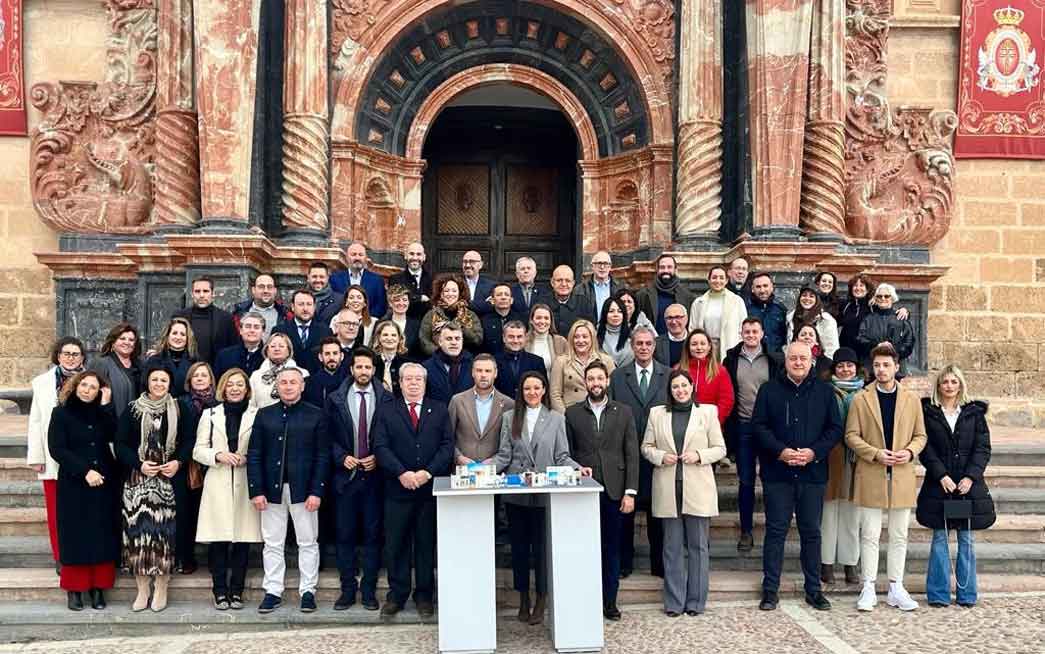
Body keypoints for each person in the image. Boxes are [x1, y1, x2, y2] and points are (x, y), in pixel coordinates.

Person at [751, 342, 842, 612]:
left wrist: (814, 452)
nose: (798, 362)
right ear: (786, 361)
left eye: (803, 358)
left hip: (812, 474)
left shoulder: (825, 392)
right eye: (793, 358)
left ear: (811, 361)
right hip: (777, 473)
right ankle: (770, 590)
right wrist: (780, 452)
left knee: (811, 533)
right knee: (776, 531)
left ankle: (813, 590)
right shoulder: (769, 390)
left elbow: (835, 429)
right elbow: (758, 426)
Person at [845, 343, 927, 612]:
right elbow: (851, 436)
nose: (881, 370)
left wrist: (909, 452)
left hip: (902, 473)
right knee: (869, 533)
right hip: (871, 471)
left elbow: (921, 435)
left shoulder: (911, 399)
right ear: (872, 368)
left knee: (899, 534)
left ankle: (895, 586)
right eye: (877, 365)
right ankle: (868, 586)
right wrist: (875, 453)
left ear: (896, 367)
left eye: (886, 365)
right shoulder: (861, 398)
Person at [493, 370, 580, 624]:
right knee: (519, 549)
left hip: (544, 493)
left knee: (542, 549)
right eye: (527, 388)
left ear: (544, 391)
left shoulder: (555, 419)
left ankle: (542, 597)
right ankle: (523, 598)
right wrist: (480, 469)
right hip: (516, 494)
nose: (532, 392)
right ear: (521, 391)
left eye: (536, 388)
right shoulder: (510, 418)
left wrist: (577, 467)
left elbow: (562, 455)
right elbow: (503, 455)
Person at [372, 362, 454, 618]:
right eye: (409, 379)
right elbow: (380, 446)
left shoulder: (439, 410)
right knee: (396, 544)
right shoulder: (386, 410)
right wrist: (401, 473)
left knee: (425, 544)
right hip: (397, 489)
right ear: (400, 382)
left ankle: (424, 595)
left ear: (425, 382)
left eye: (419, 379)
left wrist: (427, 472)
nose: (414, 383)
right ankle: (397, 595)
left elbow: (447, 446)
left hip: (429, 489)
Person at [641, 370, 725, 616]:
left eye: (684, 386)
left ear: (692, 387)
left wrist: (699, 455)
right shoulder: (657, 413)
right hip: (668, 486)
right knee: (672, 547)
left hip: (697, 486)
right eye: (675, 387)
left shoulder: (707, 412)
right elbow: (646, 447)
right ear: (670, 390)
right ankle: (674, 602)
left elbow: (720, 448)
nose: (680, 390)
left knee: (698, 546)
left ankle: (696, 602)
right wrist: (659, 456)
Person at [247, 366, 329, 614]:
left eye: (294, 382)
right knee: (272, 542)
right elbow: (254, 454)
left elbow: (322, 456)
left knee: (307, 541)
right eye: (284, 383)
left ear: (302, 386)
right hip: (270, 490)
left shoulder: (317, 415)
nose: (289, 386)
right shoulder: (264, 415)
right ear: (277, 386)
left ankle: (308, 591)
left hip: (304, 490)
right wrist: (256, 490)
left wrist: (317, 491)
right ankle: (272, 590)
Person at [565, 360, 638, 621]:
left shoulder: (624, 412)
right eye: (591, 379)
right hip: (584, 490)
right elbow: (568, 454)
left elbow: (631, 454)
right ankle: (586, 599)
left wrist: (630, 492)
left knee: (611, 548)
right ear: (585, 383)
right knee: (584, 548)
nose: (595, 383)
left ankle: (610, 602)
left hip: (615, 491)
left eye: (600, 378)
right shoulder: (571, 413)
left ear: (607, 381)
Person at [917, 365, 994, 608]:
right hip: (940, 485)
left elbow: (982, 448)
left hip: (967, 487)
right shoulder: (929, 413)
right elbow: (925, 448)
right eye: (945, 382)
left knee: (967, 539)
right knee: (940, 537)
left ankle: (967, 594)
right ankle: (938, 594)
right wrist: (941, 475)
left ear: (960, 385)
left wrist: (971, 477)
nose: (949, 386)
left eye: (953, 382)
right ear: (938, 386)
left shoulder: (974, 414)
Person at [115, 365, 187, 613]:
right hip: (138, 480)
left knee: (163, 536)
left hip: (168, 481)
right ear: (148, 382)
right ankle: (143, 589)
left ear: (169, 383)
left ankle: (162, 587)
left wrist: (178, 462)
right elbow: (121, 444)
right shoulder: (133, 410)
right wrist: (139, 464)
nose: (159, 383)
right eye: (155, 379)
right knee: (138, 536)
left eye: (163, 380)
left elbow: (189, 440)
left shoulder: (179, 408)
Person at [47, 370, 119, 611]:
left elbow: (113, 435)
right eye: (84, 385)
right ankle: (75, 590)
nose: (88, 390)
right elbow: (57, 449)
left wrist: (107, 406)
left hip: (103, 483)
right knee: (76, 535)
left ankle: (98, 589)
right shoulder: (61, 413)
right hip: (75, 483)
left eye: (93, 387)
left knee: (101, 534)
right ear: (76, 386)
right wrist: (84, 471)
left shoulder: (102, 413)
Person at [327, 347, 389, 612]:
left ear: (374, 370)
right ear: (351, 369)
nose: (364, 371)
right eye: (359, 367)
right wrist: (341, 457)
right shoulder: (335, 398)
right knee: (345, 536)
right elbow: (325, 436)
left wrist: (379, 456)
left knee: (373, 537)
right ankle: (347, 590)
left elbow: (391, 435)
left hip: (375, 477)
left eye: (368, 367)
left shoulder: (386, 398)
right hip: (346, 478)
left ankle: (369, 591)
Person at [193, 368, 261, 610]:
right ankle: (220, 591)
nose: (234, 388)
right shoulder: (211, 414)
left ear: (247, 389)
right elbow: (197, 450)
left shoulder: (257, 414)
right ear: (223, 387)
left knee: (243, 541)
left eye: (239, 384)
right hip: (218, 481)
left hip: (245, 481)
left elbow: (261, 448)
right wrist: (218, 455)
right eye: (230, 384)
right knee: (219, 541)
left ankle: (237, 591)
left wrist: (248, 458)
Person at [609, 326, 670, 578]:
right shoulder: (618, 376)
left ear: (654, 346)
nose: (643, 347)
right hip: (626, 453)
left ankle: (659, 564)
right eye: (639, 343)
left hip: (658, 453)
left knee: (659, 513)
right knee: (626, 513)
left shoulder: (668, 375)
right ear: (632, 346)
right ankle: (625, 563)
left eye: (648, 343)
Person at [722, 317, 782, 552]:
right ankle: (746, 530)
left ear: (762, 333)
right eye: (746, 331)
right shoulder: (731, 359)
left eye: (754, 331)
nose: (750, 335)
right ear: (741, 333)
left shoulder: (774, 359)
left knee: (770, 480)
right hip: (743, 427)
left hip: (768, 428)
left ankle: (772, 529)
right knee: (746, 482)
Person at [28, 337, 86, 572]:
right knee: (55, 511)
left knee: (82, 510)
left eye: (76, 354)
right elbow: (36, 420)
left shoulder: (91, 381)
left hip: (83, 456)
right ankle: (61, 556)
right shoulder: (42, 383)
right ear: (58, 356)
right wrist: (37, 456)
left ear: (82, 357)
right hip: (53, 456)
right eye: (66, 353)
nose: (71, 358)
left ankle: (81, 552)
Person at [820, 347, 865, 585]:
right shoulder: (826, 392)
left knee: (851, 513)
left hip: (856, 459)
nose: (845, 370)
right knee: (828, 513)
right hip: (831, 457)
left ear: (856, 368)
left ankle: (850, 563)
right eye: (840, 366)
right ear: (834, 369)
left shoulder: (865, 394)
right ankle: (826, 563)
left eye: (849, 365)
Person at [175, 362, 219, 575]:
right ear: (189, 380)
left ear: (211, 379)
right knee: (186, 513)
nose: (200, 379)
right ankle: (186, 557)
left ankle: (214, 558)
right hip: (187, 464)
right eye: (196, 376)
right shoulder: (180, 403)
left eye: (204, 375)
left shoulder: (219, 403)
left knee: (213, 512)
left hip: (213, 464)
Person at [450, 354, 513, 466]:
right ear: (472, 373)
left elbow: (510, 442)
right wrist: (458, 457)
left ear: (495, 373)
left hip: (495, 473)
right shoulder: (457, 401)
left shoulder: (508, 404)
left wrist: (495, 462)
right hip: (463, 471)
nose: (483, 375)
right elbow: (447, 437)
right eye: (479, 371)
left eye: (488, 371)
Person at [549, 319, 616, 413]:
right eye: (576, 337)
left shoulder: (606, 361)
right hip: (570, 414)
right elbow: (555, 395)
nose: (580, 341)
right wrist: (566, 417)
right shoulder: (561, 362)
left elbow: (614, 391)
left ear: (592, 338)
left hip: (600, 414)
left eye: (585, 337)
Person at [677, 329, 735, 428]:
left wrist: (713, 422)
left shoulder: (720, 371)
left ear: (709, 347)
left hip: (711, 427)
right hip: (683, 426)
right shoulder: (678, 370)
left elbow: (726, 400)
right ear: (688, 347)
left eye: (703, 344)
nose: (699, 347)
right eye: (694, 344)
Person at [174, 276, 239, 365]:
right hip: (185, 371)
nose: (201, 295)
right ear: (192, 294)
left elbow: (233, 348)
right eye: (197, 291)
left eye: (205, 291)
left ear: (213, 294)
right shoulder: (180, 316)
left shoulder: (226, 318)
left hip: (216, 372)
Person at [689, 265, 747, 359]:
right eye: (714, 277)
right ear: (709, 280)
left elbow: (743, 328)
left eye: (721, 278)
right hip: (705, 348)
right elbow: (693, 328)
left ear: (726, 280)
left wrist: (738, 346)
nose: (718, 281)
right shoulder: (698, 303)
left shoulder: (737, 301)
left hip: (729, 345)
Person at [271, 289, 333, 375]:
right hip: (288, 380)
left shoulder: (325, 331)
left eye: (309, 304)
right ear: (292, 306)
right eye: (301, 304)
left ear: (314, 307)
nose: (305, 308)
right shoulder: (280, 330)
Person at [418, 275, 483, 356]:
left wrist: (451, 325)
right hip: (438, 360)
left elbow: (477, 340)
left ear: (460, 293)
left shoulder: (470, 315)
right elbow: (424, 340)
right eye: (446, 291)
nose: (450, 294)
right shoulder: (431, 315)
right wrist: (440, 353)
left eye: (454, 291)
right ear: (441, 294)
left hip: (465, 360)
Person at [857, 283, 915, 373]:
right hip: (872, 368)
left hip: (895, 368)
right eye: (879, 296)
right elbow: (861, 339)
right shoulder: (868, 319)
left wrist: (893, 349)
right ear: (875, 299)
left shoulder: (901, 318)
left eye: (886, 296)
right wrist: (877, 346)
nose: (883, 298)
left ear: (892, 298)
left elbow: (909, 342)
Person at [91, 323, 142, 417]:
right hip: (111, 422)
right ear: (113, 343)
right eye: (122, 338)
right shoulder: (102, 364)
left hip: (136, 423)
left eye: (131, 340)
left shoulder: (140, 365)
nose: (127, 342)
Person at [636, 255, 696, 334]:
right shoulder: (643, 295)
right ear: (657, 270)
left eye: (669, 267)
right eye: (662, 267)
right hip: (652, 343)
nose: (666, 270)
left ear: (675, 270)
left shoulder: (687, 296)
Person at [249, 332, 308, 410]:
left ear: (289, 350)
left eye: (281, 346)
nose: (277, 349)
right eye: (273, 346)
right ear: (267, 350)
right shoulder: (256, 376)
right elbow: (251, 404)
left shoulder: (303, 374)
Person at [144, 317, 198, 398]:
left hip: (187, 408)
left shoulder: (195, 361)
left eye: (182, 334)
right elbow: (144, 387)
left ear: (188, 338)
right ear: (167, 335)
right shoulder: (154, 360)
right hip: (159, 407)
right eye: (174, 333)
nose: (178, 337)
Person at [330, 241, 388, 318]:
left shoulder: (377, 280)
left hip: (367, 325)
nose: (357, 258)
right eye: (353, 254)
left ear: (366, 258)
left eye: (361, 255)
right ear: (347, 257)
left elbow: (381, 306)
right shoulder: (335, 279)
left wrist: (364, 319)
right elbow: (332, 304)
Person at [423, 323, 475, 404]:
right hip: (438, 415)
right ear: (440, 342)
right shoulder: (426, 367)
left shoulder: (473, 365)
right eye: (449, 339)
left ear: (462, 341)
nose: (454, 342)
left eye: (457, 339)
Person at [232, 273, 291, 340]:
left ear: (275, 291)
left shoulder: (285, 314)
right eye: (261, 287)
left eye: (269, 287)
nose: (266, 291)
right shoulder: (239, 313)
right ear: (253, 290)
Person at [495, 320, 546, 397]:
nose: (515, 341)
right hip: (502, 407)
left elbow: (543, 390)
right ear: (504, 338)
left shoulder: (537, 362)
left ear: (525, 338)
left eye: (519, 337)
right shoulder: (493, 361)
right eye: (511, 337)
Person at [787, 286, 840, 358]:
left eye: (811, 296)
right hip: (796, 360)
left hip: (818, 362)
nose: (807, 298)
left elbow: (832, 348)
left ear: (817, 300)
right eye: (804, 295)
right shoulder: (791, 317)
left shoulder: (826, 320)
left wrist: (826, 365)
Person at [214, 311, 266, 381]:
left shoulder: (268, 356)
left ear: (263, 332)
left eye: (256, 327)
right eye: (248, 326)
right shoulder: (224, 356)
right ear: (241, 330)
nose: (252, 330)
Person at [387, 241, 433, 319]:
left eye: (418, 254)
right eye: (411, 254)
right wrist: (420, 298)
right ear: (405, 256)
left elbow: (433, 303)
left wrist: (411, 298)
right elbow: (395, 301)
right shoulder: (395, 279)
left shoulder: (432, 279)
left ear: (424, 257)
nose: (415, 258)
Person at [547, 265, 596, 335]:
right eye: (559, 280)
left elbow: (591, 332)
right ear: (552, 282)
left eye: (568, 281)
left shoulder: (584, 303)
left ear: (573, 283)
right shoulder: (543, 303)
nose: (563, 284)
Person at [745, 273, 788, 353]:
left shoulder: (780, 309)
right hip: (753, 355)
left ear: (771, 287)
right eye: (758, 287)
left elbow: (785, 335)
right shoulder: (746, 309)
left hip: (776, 356)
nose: (762, 290)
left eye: (765, 286)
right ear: (752, 289)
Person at [575, 251, 621, 322]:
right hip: (590, 330)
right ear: (592, 266)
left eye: (605, 263)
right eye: (599, 263)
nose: (602, 267)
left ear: (610, 266)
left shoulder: (620, 288)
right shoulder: (580, 289)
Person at [303, 337, 349, 407]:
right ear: (320, 357)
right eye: (327, 354)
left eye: (335, 353)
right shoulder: (309, 383)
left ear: (342, 356)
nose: (331, 358)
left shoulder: (350, 381)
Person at [838, 273, 875, 358]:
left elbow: (889, 313)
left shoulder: (873, 306)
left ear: (868, 289)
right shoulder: (845, 305)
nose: (858, 288)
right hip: (846, 350)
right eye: (855, 286)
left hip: (866, 353)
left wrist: (905, 311)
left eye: (861, 285)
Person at [481, 283, 522, 355]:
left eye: (506, 294)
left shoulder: (521, 320)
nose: (503, 297)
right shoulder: (484, 321)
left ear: (511, 300)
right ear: (492, 300)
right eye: (499, 295)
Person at [525, 303, 568, 370]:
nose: (542, 321)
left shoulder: (561, 342)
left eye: (546, 318)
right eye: (538, 318)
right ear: (531, 320)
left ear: (551, 321)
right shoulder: (523, 341)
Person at [384, 284, 422, 357]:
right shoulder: (382, 323)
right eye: (397, 300)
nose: (401, 303)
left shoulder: (417, 325)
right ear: (390, 303)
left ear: (408, 302)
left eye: (404, 300)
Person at [597, 296, 634, 368]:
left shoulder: (633, 336)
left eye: (619, 311)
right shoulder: (595, 335)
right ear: (605, 314)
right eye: (611, 311)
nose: (615, 315)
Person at [306, 262, 345, 326]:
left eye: (321, 277)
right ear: (308, 277)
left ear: (327, 278)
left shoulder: (340, 300)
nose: (318, 280)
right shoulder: (299, 298)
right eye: (314, 276)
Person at [461, 250, 497, 316]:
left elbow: (490, 307)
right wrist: (482, 304)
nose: (467, 265)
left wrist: (464, 304)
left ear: (480, 265)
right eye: (465, 262)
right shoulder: (455, 283)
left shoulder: (491, 286)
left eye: (472, 262)